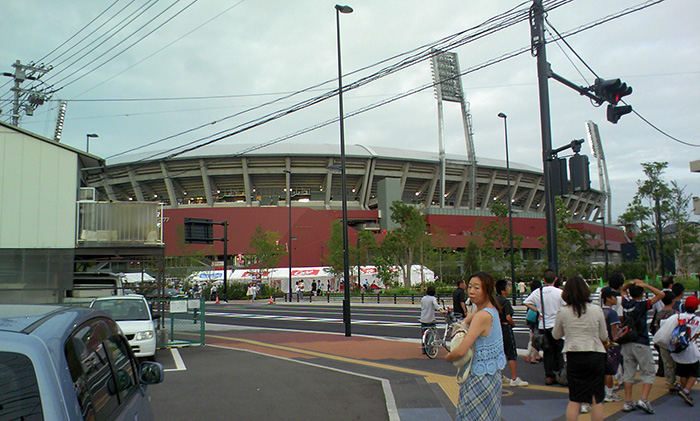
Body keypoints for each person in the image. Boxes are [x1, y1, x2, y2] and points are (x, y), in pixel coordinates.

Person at [446, 272, 506, 420]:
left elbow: (461, 351)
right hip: (492, 375)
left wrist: (448, 357)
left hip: (479, 378)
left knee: (472, 416)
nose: (471, 291)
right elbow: (465, 322)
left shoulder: (481, 316)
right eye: (470, 286)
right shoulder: (489, 309)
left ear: (487, 290)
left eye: (477, 288)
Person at [553, 276, 608, 420]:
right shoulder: (596, 309)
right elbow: (603, 335)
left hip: (574, 354)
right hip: (595, 353)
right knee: (596, 398)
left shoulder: (563, 311)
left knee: (575, 398)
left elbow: (556, 335)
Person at [619, 278, 664, 414]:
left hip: (627, 342)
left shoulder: (626, 303)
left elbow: (622, 289)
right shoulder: (643, 305)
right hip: (641, 341)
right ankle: (643, 399)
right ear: (642, 293)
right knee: (648, 371)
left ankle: (628, 401)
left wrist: (630, 283)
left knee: (629, 372)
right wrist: (646, 284)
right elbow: (661, 295)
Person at [524, 269, 565, 385]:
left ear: (544, 280)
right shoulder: (559, 292)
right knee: (559, 350)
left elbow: (526, 302)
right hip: (557, 325)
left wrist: (538, 311)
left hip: (544, 325)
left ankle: (549, 376)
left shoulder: (538, 292)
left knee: (548, 352)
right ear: (555, 279)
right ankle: (561, 374)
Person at [495, 279, 528, 387]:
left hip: (497, 329)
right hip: (505, 328)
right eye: (508, 287)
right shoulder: (506, 302)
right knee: (511, 353)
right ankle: (514, 378)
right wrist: (513, 324)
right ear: (503, 290)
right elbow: (508, 317)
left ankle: (500, 375)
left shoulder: (494, 300)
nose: (509, 289)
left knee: (499, 352)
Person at [670, 295, 700, 406]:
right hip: (691, 349)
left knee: (683, 372)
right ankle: (686, 390)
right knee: (695, 372)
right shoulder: (698, 320)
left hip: (678, 348)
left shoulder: (677, 316)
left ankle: (684, 388)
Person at [652, 291, 679, 391]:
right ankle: (678, 382)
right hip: (673, 342)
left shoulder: (659, 314)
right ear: (673, 301)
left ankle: (669, 382)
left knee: (667, 363)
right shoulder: (675, 313)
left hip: (663, 342)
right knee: (677, 362)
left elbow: (656, 328)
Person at [600, 288, 623, 403]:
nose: (616, 299)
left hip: (600, 343)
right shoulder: (612, 313)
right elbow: (614, 330)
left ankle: (605, 391)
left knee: (604, 368)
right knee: (610, 369)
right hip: (610, 344)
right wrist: (617, 342)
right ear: (608, 299)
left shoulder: (599, 311)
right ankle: (609, 393)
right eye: (614, 297)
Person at [420, 285, 446, 354]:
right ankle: (430, 350)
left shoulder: (423, 298)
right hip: (430, 319)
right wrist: (441, 310)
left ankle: (424, 350)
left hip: (423, 318)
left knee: (424, 335)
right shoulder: (433, 298)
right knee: (431, 335)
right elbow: (436, 305)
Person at [525, 279, 543, 364]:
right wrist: (538, 310)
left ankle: (531, 355)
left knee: (532, 336)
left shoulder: (531, 294)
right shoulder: (538, 294)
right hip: (536, 318)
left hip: (530, 318)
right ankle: (533, 356)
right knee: (536, 337)